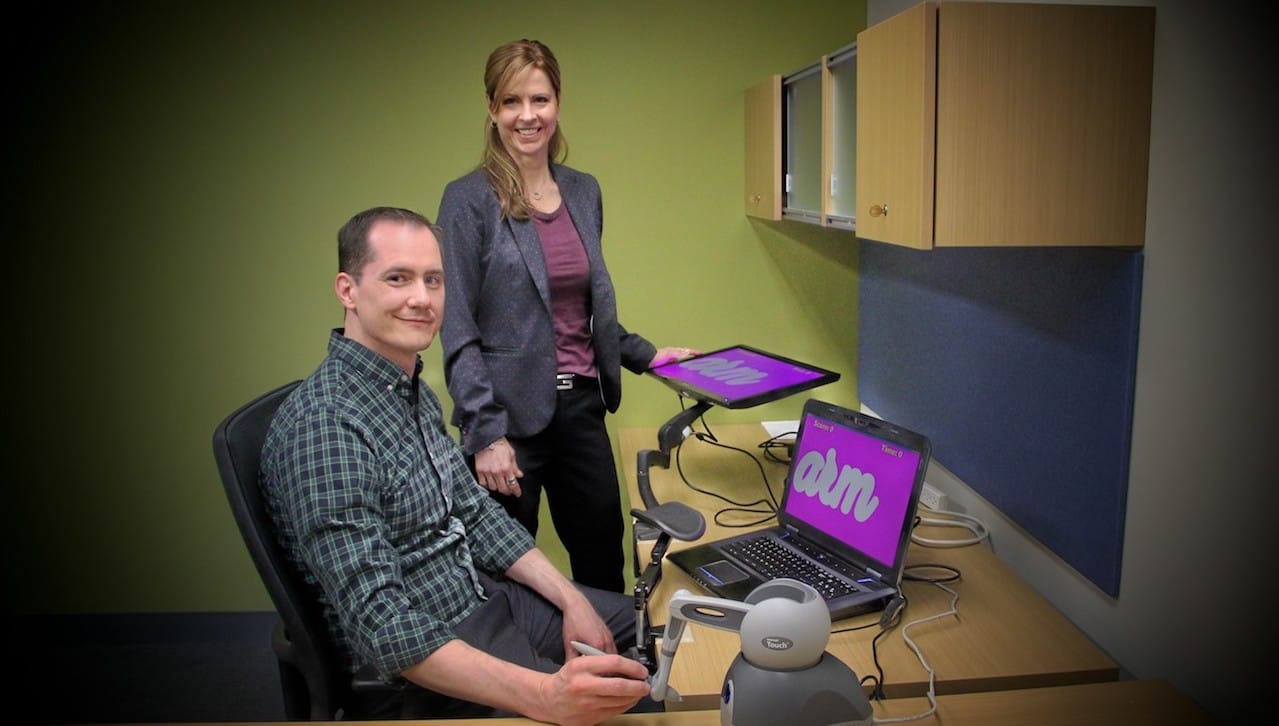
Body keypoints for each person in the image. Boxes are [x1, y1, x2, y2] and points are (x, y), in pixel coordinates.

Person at [259, 206, 654, 722]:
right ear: (347, 290)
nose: (421, 298)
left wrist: (570, 598)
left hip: (484, 596)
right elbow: (384, 626)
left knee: (665, 630)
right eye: (397, 278)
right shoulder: (326, 428)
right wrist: (544, 696)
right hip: (432, 651)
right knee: (638, 704)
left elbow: (476, 513)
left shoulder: (408, 389)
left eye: (433, 280)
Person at [437, 39, 697, 593]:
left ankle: (609, 674)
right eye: (511, 102)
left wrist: (649, 355)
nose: (526, 116)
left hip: (580, 410)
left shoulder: (583, 192)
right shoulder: (467, 201)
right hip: (508, 423)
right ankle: (524, 680)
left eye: (539, 99)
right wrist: (485, 433)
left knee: (604, 562)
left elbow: (580, 310)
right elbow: (457, 326)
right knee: (505, 575)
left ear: (557, 103)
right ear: (492, 109)